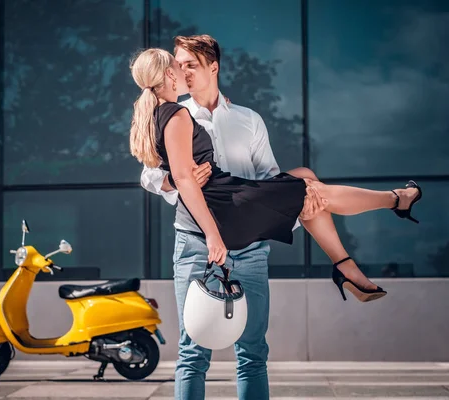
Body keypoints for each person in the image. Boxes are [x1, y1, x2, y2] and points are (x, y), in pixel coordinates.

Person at [130, 44, 422, 400]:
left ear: (213, 68)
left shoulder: (246, 119)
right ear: (166, 75)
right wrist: (181, 184)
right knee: (193, 352)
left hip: (245, 230)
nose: (183, 72)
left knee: (253, 351)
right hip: (202, 237)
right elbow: (155, 175)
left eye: (190, 64)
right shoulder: (176, 112)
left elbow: (267, 176)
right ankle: (390, 207)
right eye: (178, 66)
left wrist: (294, 203)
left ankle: (353, 251)